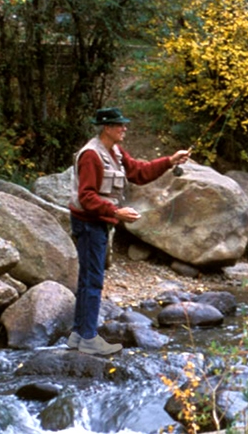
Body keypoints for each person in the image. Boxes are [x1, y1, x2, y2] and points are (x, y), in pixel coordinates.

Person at [68, 107, 190, 355]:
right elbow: (87, 197)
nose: (124, 128)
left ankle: (79, 336)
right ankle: (88, 338)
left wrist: (170, 161)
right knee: (92, 282)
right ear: (106, 128)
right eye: (119, 125)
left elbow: (139, 172)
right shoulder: (91, 155)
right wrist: (116, 212)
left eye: (124, 124)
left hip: (98, 223)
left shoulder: (115, 152)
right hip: (89, 224)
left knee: (88, 279)